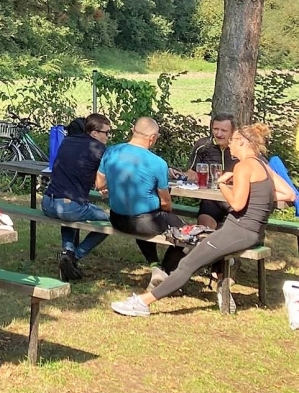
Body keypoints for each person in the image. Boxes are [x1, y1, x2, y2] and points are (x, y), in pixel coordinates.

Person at [112, 122, 297, 316]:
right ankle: (219, 270)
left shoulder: (243, 167)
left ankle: (142, 303)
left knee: (188, 263)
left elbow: (236, 204)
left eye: (233, 140)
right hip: (249, 232)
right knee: (198, 240)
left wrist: (223, 184)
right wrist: (259, 195)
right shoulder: (262, 164)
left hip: (240, 230)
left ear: (242, 142)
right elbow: (289, 194)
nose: (230, 145)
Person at [95, 117, 184, 287]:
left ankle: (155, 266)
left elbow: (99, 184)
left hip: (117, 219)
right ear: (152, 138)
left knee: (144, 220)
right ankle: (165, 272)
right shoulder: (158, 163)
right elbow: (166, 203)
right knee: (187, 234)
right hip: (145, 222)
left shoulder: (111, 151)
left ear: (133, 131)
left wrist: (118, 181)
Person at [41, 113, 113, 281]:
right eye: (107, 132)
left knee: (70, 214)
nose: (108, 136)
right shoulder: (99, 149)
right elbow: (102, 181)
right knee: (107, 223)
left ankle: (67, 251)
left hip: (47, 203)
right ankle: (76, 256)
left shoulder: (68, 141)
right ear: (94, 133)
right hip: (68, 207)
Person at [185, 114, 238, 228]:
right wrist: (193, 175)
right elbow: (190, 171)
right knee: (204, 228)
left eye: (224, 130)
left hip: (234, 198)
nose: (219, 134)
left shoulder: (240, 147)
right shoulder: (202, 145)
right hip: (210, 199)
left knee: (238, 226)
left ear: (233, 132)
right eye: (215, 129)